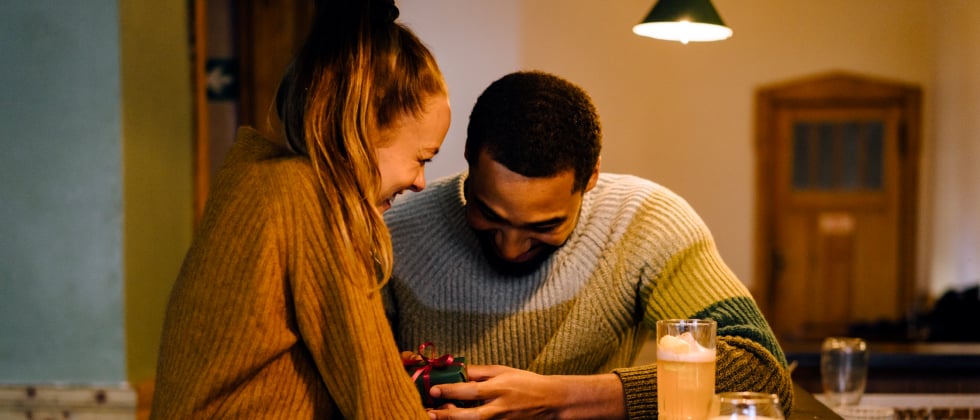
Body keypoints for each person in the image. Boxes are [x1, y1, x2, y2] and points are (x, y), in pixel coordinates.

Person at [384, 70, 794, 419]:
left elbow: (762, 370)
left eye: (545, 226)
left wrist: (558, 399)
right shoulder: (391, 229)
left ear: (592, 176)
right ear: (469, 156)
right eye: (489, 216)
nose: (510, 247)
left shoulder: (645, 222)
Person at [151, 0, 450, 418]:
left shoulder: (259, 181)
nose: (420, 182)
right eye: (423, 157)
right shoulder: (311, 198)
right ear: (362, 128)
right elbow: (379, 406)